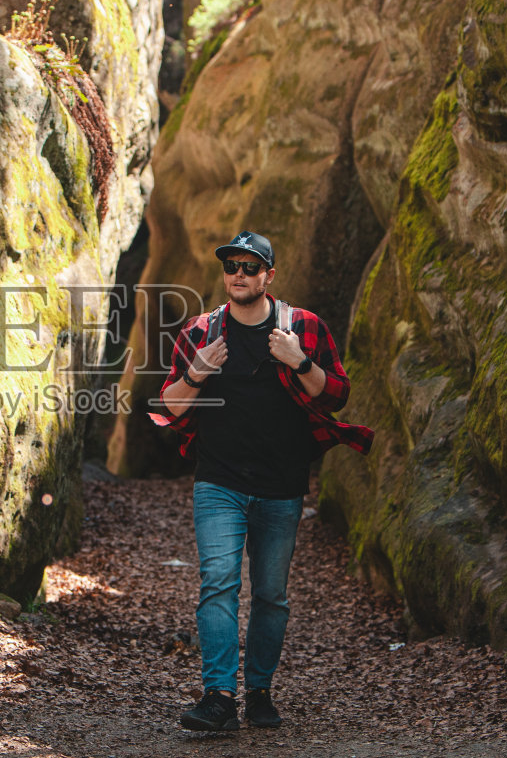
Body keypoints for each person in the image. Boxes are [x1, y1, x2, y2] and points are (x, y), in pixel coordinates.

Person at [150, 230, 373, 731]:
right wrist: (197, 372)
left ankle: (260, 692)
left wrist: (300, 360)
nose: (239, 274)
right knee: (218, 584)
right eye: (231, 266)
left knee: (271, 595)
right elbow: (169, 407)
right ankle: (219, 697)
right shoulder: (200, 332)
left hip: (281, 485)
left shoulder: (304, 327)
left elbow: (336, 395)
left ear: (269, 276)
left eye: (250, 267)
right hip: (218, 482)